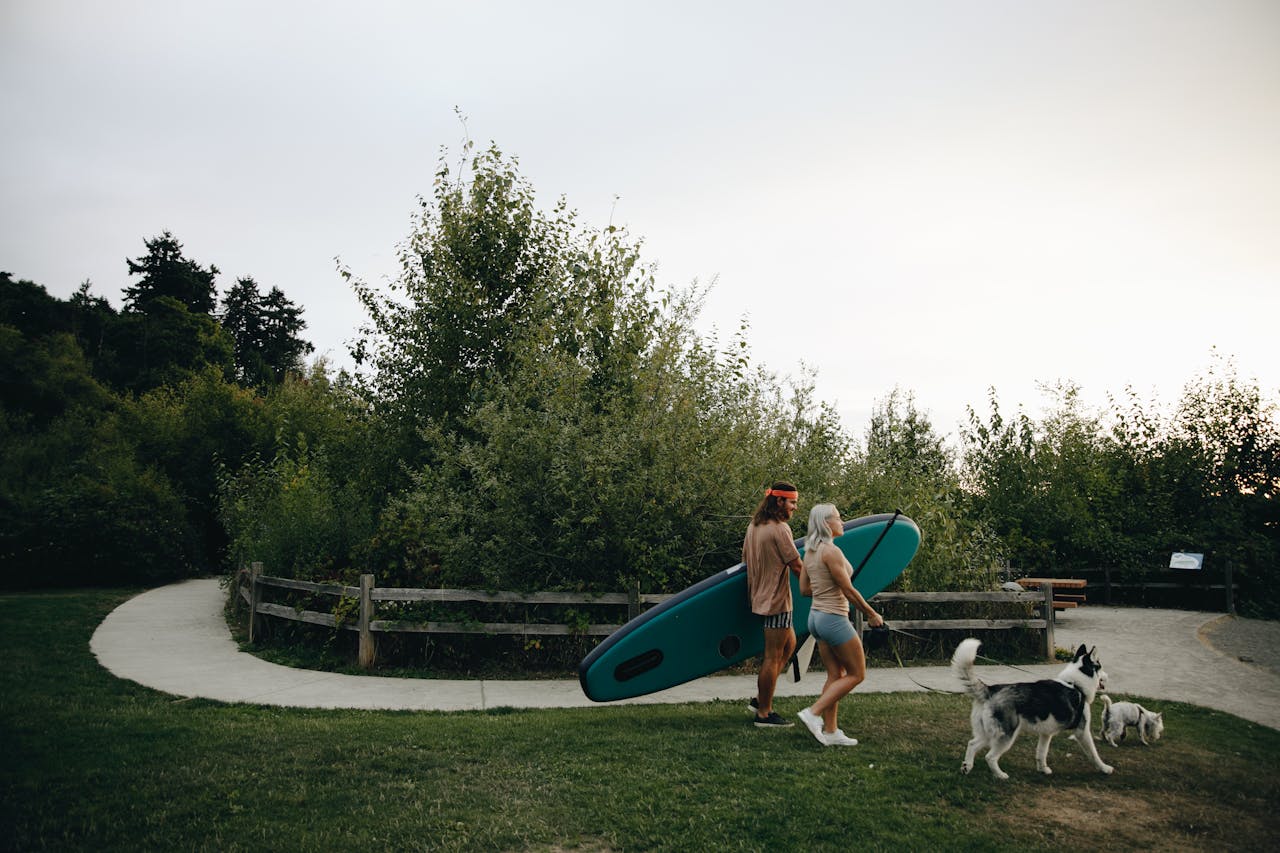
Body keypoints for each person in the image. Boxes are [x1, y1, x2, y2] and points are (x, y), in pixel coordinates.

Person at [795, 503, 884, 746]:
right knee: (857, 674)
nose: (841, 522)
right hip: (833, 618)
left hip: (816, 618)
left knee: (836, 675)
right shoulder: (831, 552)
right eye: (837, 518)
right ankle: (813, 713)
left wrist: (826, 587)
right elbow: (848, 589)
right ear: (826, 524)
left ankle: (832, 731)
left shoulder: (810, 552)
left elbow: (804, 589)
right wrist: (871, 614)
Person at [743, 481, 803, 728]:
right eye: (792, 502)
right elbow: (796, 565)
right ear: (779, 501)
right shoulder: (780, 529)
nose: (795, 507)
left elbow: (744, 560)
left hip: (759, 596)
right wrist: (820, 588)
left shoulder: (754, 526)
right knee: (773, 656)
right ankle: (764, 713)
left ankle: (761, 698)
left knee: (789, 644)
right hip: (776, 600)